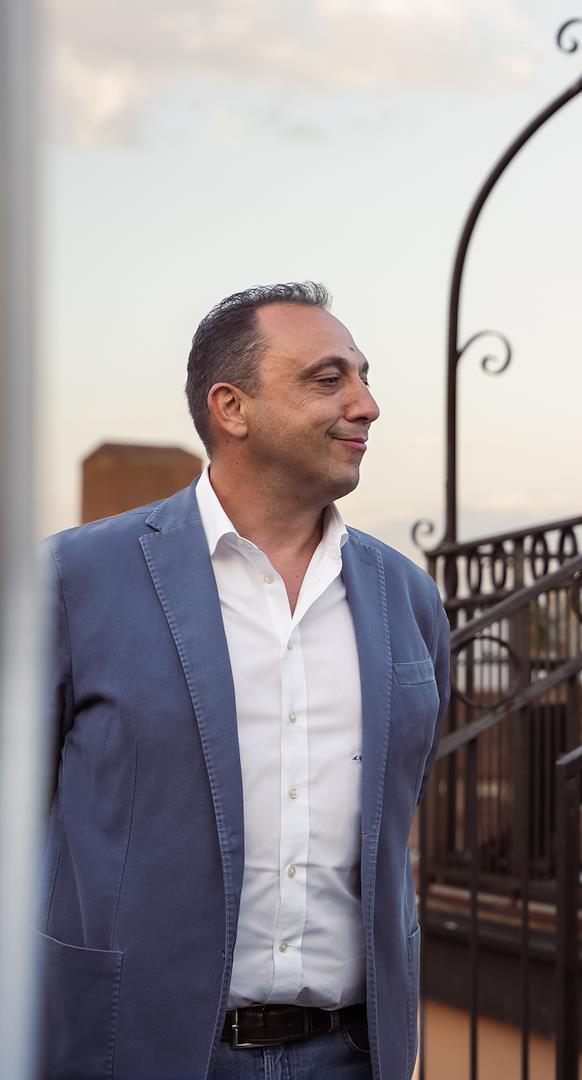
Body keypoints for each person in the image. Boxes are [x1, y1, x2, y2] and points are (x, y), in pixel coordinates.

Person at [40, 283, 449, 1080]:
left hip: (353, 1055)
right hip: (132, 1049)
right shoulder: (71, 580)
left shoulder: (407, 596)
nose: (366, 405)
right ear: (231, 408)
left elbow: (405, 793)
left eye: (364, 377)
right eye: (328, 379)